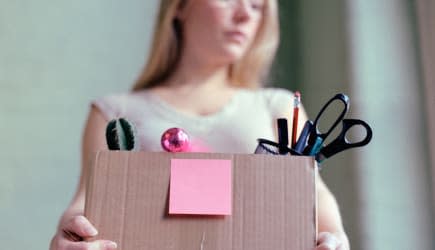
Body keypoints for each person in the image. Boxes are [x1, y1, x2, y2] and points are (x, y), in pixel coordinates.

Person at [50, 0, 350, 249]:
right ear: (179, 7)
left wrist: (334, 237)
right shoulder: (113, 112)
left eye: (258, 6)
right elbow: (87, 202)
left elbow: (316, 194)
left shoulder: (278, 106)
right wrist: (71, 236)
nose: (246, 14)